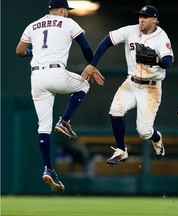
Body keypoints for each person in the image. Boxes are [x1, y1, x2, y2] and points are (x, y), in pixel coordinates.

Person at [16, 0, 104, 192]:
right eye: (67, 11)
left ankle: (48, 168)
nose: (67, 13)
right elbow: (86, 47)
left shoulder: (33, 25)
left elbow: (20, 51)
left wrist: (35, 52)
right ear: (63, 10)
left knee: (43, 126)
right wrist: (92, 65)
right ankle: (64, 120)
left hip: (37, 78)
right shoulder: (68, 23)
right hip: (56, 72)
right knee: (83, 84)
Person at [81, 5, 174, 165]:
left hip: (151, 87)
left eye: (145, 17)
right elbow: (106, 42)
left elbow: (168, 62)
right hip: (131, 82)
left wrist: (156, 60)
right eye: (140, 16)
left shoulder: (161, 37)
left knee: (144, 132)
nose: (141, 19)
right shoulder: (131, 30)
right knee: (115, 110)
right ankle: (121, 150)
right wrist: (93, 64)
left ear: (155, 20)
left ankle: (157, 138)